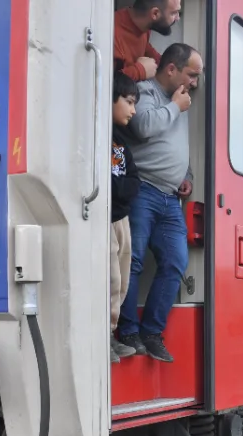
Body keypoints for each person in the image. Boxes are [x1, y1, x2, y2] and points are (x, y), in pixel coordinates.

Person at [117, 43, 203, 363]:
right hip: (143, 190)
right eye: (191, 74)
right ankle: (127, 332)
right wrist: (175, 108)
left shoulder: (180, 102)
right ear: (171, 69)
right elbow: (142, 127)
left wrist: (188, 175)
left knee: (175, 262)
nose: (195, 82)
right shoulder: (146, 92)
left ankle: (152, 332)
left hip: (169, 198)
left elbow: (178, 147)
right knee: (133, 261)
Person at [109, 71, 141, 364]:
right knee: (110, 278)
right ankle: (103, 336)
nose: (133, 110)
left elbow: (133, 180)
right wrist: (121, 189)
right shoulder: (99, 137)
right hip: (105, 221)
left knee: (122, 278)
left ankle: (111, 333)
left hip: (122, 220)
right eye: (129, 102)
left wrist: (120, 189)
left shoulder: (120, 143)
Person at [113, 0, 182, 82]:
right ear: (155, 13)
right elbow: (106, 82)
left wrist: (173, 67)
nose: (178, 18)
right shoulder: (113, 34)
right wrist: (140, 71)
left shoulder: (142, 26)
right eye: (174, 13)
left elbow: (145, 48)